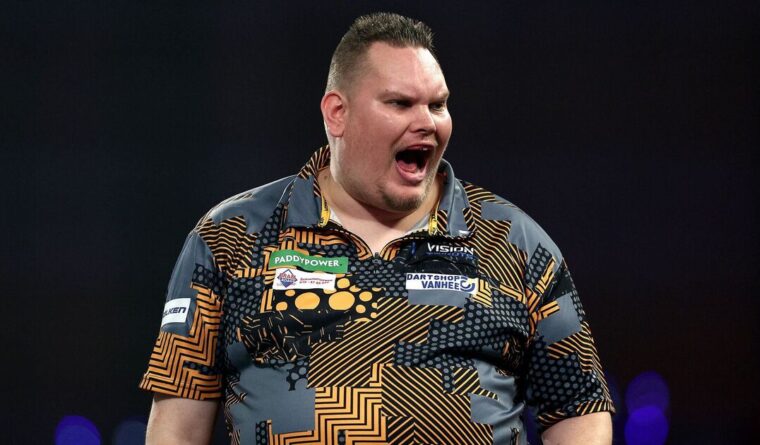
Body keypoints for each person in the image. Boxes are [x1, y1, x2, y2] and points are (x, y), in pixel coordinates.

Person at [141, 12, 614, 445]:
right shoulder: (231, 236)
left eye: (438, 105)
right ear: (337, 113)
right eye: (400, 103)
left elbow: (581, 408)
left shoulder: (511, 240)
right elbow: (177, 427)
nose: (426, 123)